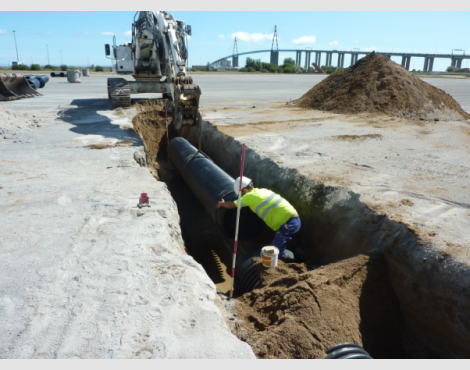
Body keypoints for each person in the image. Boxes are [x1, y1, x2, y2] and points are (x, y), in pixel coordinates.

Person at [217, 176, 300, 262]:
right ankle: (291, 258)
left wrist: (222, 204)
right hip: (292, 221)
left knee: (274, 253)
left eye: (241, 193)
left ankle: (294, 263)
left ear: (245, 190)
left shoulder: (250, 196)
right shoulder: (262, 191)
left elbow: (231, 205)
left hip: (289, 224)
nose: (241, 196)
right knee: (276, 249)